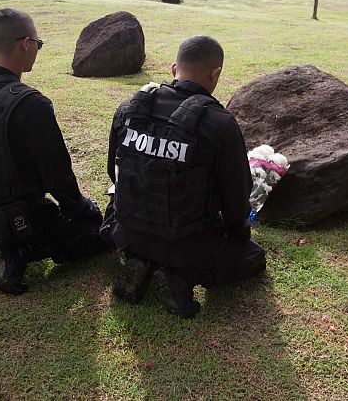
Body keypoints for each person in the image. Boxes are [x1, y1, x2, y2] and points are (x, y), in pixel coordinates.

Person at [0, 8, 109, 294]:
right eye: (38, 43)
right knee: (99, 234)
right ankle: (19, 253)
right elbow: (58, 176)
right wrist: (83, 210)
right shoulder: (30, 105)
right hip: (23, 213)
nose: (37, 49)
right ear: (25, 44)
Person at [104, 35, 266, 318]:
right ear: (215, 74)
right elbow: (236, 198)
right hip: (186, 241)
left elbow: (112, 173)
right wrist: (238, 236)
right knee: (253, 256)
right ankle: (179, 276)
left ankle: (140, 259)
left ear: (173, 69)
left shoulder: (130, 107)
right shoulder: (219, 123)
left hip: (128, 230)